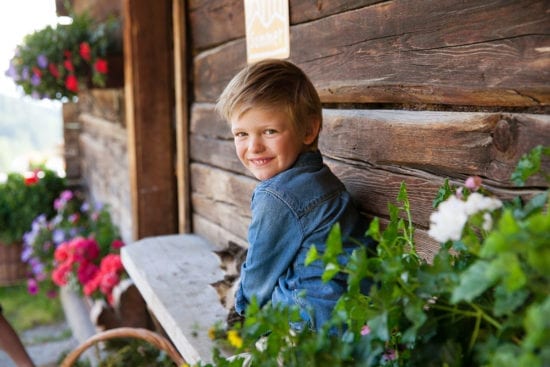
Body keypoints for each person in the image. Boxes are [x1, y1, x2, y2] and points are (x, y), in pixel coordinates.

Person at [216, 59, 375, 331]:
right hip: (354, 318)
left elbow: (257, 280)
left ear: (309, 130)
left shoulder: (277, 196)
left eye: (269, 131)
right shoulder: (323, 179)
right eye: (241, 134)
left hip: (310, 325)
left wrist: (241, 308)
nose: (253, 146)